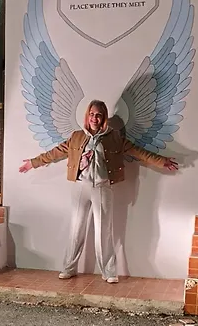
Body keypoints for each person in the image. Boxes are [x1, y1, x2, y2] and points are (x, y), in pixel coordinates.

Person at [19, 99, 178, 283]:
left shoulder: (114, 137)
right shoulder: (77, 136)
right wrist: (33, 163)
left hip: (102, 188)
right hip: (80, 187)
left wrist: (161, 161)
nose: (94, 118)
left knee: (103, 231)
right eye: (92, 114)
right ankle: (69, 268)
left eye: (99, 115)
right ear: (87, 116)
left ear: (104, 118)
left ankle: (109, 272)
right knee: (76, 230)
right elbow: (55, 152)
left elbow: (138, 152)